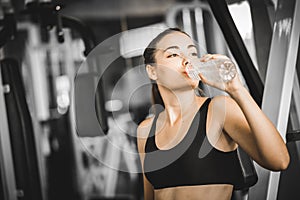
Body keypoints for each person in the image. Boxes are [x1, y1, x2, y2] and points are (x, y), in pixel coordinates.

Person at [136, 28, 290, 200]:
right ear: (152, 71)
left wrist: (236, 89)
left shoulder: (218, 110)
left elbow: (279, 161)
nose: (188, 61)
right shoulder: (145, 130)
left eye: (193, 53)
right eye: (174, 55)